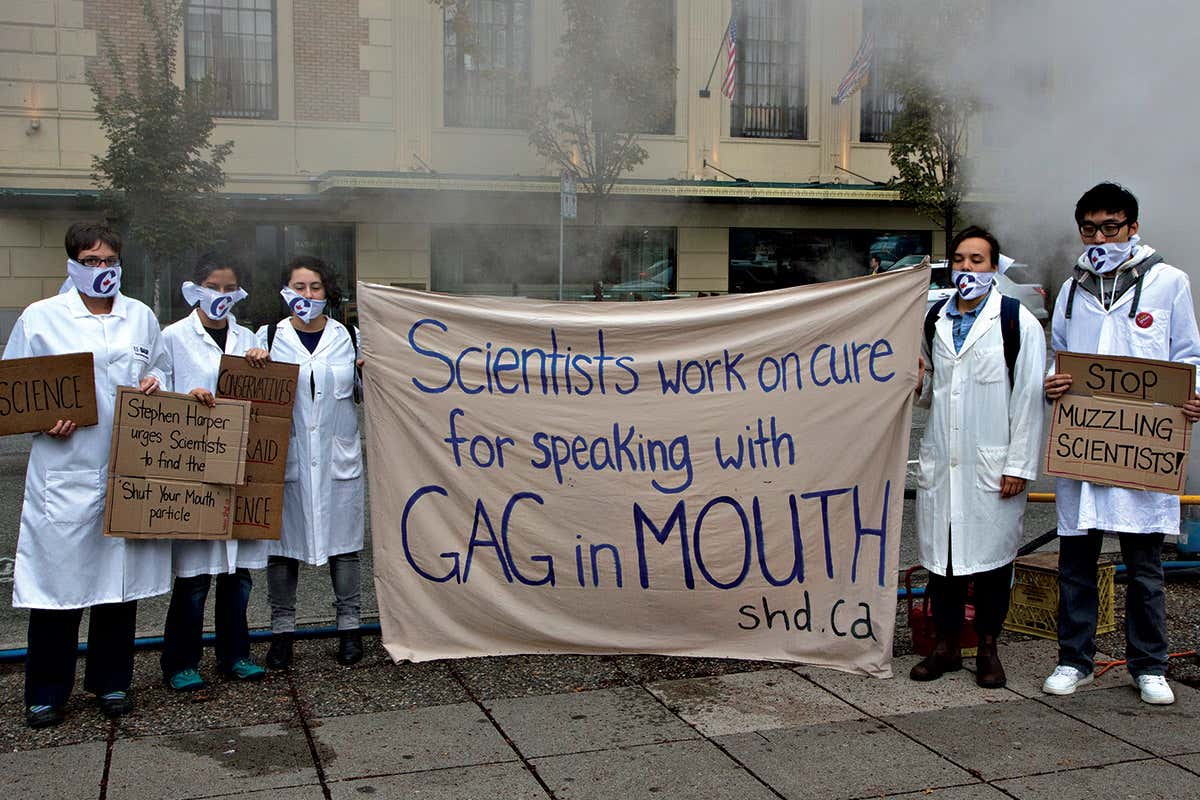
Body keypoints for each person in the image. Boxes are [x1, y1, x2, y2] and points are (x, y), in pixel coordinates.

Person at [3, 222, 171, 728]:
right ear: (72, 264)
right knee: (58, 586)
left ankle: (112, 681)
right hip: (65, 469)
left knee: (118, 583)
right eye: (90, 261)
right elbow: (14, 391)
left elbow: (162, 369)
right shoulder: (41, 318)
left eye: (109, 261)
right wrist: (42, 421)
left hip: (125, 468)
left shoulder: (139, 315)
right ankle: (47, 691)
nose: (102, 270)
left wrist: (155, 383)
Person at [1042, 182, 1200, 705]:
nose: (1100, 237)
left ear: (1133, 227)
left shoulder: (1168, 282)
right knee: (1077, 561)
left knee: (1146, 564)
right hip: (1085, 446)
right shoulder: (1071, 289)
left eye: (1111, 227)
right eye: (1089, 228)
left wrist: (1193, 396)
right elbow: (1061, 355)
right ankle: (1074, 659)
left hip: (1141, 449)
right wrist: (1053, 381)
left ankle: (1149, 665)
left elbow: (1188, 357)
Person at [911, 226, 1046, 688]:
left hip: (994, 464)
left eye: (977, 260)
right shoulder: (934, 319)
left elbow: (1028, 397)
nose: (967, 268)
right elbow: (931, 388)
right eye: (960, 260)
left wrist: (1019, 465)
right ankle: (946, 646)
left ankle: (987, 647)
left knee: (992, 563)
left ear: (994, 267)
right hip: (944, 460)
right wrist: (918, 383)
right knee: (942, 562)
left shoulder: (1016, 321)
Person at [158, 253, 271, 690]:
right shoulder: (173, 337)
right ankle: (180, 662)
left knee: (237, 574)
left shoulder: (249, 340)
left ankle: (236, 655)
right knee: (193, 579)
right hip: (192, 466)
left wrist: (262, 363)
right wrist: (187, 396)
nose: (221, 296)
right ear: (195, 288)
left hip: (241, 468)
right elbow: (154, 389)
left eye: (229, 288)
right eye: (213, 287)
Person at [257, 256, 365, 668]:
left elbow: (367, 394)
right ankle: (282, 633)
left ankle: (349, 629)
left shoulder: (350, 337)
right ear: (286, 292)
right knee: (281, 549)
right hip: (288, 460)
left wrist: (367, 373)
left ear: (327, 292)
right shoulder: (266, 338)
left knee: (345, 548)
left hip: (338, 460)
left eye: (315, 287)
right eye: (299, 287)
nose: (307, 295)